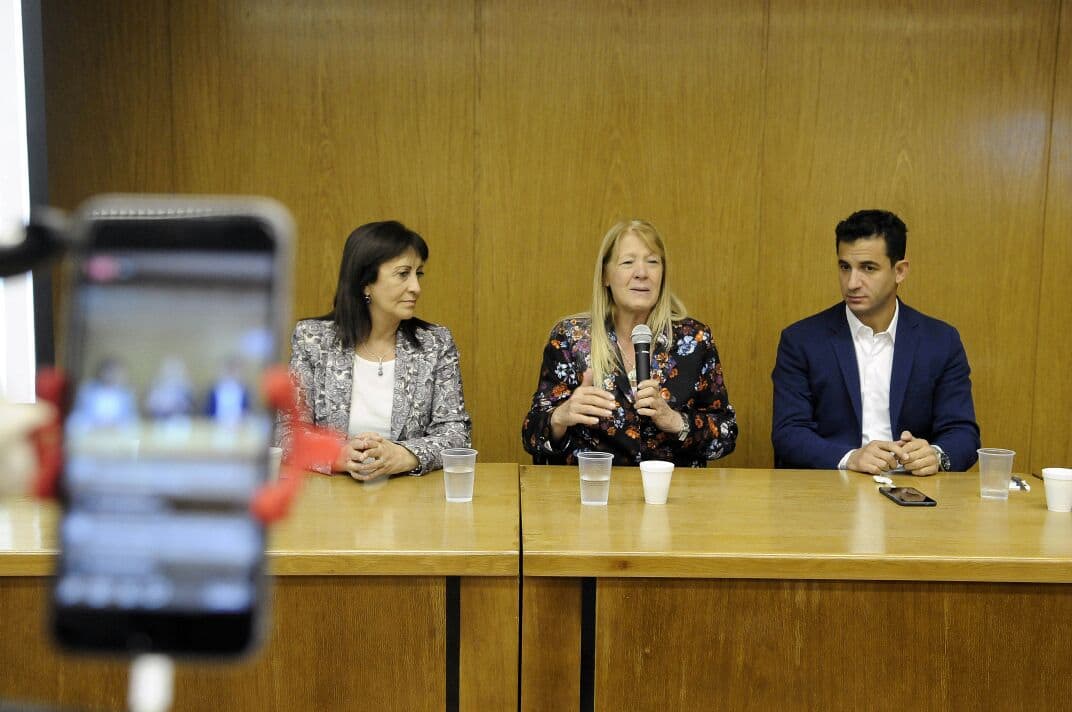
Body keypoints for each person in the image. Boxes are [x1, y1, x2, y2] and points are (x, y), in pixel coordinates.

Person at [771, 209, 980, 475]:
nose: (852, 283)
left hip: (914, 494)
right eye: (845, 267)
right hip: (832, 491)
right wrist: (850, 458)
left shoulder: (940, 340)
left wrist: (935, 456)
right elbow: (788, 433)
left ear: (900, 271)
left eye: (868, 268)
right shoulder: (802, 340)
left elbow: (963, 433)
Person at [521, 219, 738, 467]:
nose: (642, 273)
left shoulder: (694, 340)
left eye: (652, 262)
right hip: (593, 493)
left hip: (671, 495)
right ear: (605, 275)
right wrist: (561, 417)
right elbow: (531, 437)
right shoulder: (570, 340)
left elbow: (726, 433)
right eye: (627, 262)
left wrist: (676, 421)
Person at [281, 221, 471, 480]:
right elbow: (288, 433)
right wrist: (340, 456)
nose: (416, 287)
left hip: (410, 500)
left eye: (419, 274)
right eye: (403, 274)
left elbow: (456, 435)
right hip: (330, 498)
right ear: (365, 284)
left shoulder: (435, 343)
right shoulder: (313, 340)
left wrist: (403, 455)